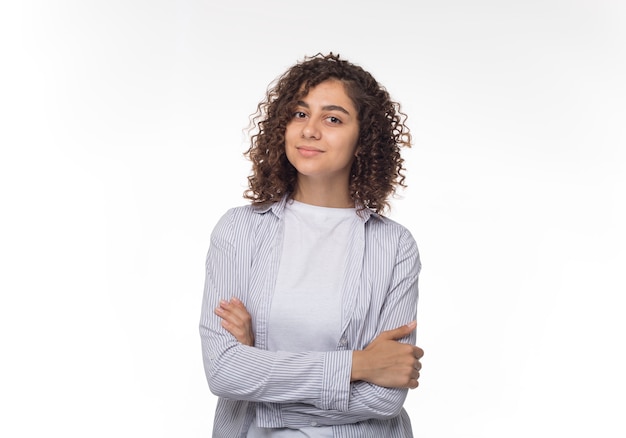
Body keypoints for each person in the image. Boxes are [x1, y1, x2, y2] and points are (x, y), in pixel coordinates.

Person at [199, 52, 423, 437]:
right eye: (300, 114)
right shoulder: (238, 231)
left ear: (363, 139)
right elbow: (224, 372)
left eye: (333, 118)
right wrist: (358, 365)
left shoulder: (394, 246)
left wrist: (261, 368)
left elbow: (385, 398)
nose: (310, 130)